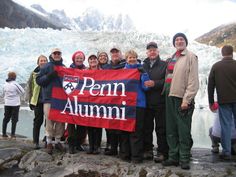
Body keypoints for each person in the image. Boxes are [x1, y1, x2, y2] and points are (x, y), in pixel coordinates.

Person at [162, 33, 199, 170]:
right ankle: (173, 157)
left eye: (181, 39)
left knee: (183, 129)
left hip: (181, 97)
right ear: (174, 43)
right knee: (171, 128)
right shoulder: (172, 57)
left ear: (186, 42)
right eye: (176, 40)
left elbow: (193, 81)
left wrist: (187, 99)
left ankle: (184, 157)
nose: (179, 41)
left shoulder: (190, 57)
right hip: (169, 95)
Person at [120, 50, 150, 163]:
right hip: (125, 105)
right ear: (126, 59)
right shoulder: (122, 71)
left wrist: (144, 75)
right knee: (124, 130)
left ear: (137, 58)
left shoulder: (141, 70)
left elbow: (146, 87)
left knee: (136, 131)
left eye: (134, 57)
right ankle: (125, 154)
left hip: (138, 104)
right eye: (130, 57)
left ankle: (136, 156)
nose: (132, 59)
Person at [208, 45, 236, 160]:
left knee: (226, 126)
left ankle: (226, 152)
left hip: (224, 101)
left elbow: (210, 86)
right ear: (232, 53)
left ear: (222, 53)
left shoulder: (216, 66)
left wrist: (210, 102)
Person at [36, 48, 65, 154]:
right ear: (51, 55)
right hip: (49, 98)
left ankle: (57, 141)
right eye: (55, 53)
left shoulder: (64, 67)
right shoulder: (46, 66)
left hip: (61, 98)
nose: (57, 55)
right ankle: (49, 141)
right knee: (49, 119)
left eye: (58, 53)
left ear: (61, 55)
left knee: (60, 121)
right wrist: (48, 76)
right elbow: (38, 80)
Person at [142, 42, 168, 162]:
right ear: (147, 53)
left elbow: (168, 81)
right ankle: (148, 150)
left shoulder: (164, 65)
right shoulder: (143, 65)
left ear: (158, 52)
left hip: (160, 101)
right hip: (146, 102)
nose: (152, 52)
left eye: (154, 50)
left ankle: (162, 152)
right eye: (150, 50)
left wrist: (155, 83)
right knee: (147, 128)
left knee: (161, 128)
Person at [103, 47, 126, 156]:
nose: (115, 54)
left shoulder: (125, 66)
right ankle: (113, 148)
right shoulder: (106, 67)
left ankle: (122, 148)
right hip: (109, 100)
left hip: (122, 99)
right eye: (113, 53)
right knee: (110, 125)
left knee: (121, 125)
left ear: (121, 54)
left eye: (117, 52)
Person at [67, 50, 87, 154]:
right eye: (77, 58)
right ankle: (71, 145)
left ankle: (79, 143)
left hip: (83, 100)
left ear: (83, 59)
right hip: (71, 100)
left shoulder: (87, 70)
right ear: (74, 59)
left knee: (82, 124)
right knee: (71, 124)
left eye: (81, 58)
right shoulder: (69, 70)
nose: (79, 60)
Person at [27, 55, 48, 149]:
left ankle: (47, 139)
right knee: (37, 121)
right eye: (41, 60)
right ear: (38, 62)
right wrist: (30, 101)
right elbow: (30, 87)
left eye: (45, 60)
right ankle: (35, 141)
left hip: (48, 100)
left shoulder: (49, 72)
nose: (43, 62)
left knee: (48, 122)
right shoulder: (34, 73)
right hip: (38, 101)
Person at [86, 54, 103, 155]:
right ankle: (91, 146)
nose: (93, 61)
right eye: (91, 59)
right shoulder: (84, 72)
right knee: (89, 125)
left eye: (94, 59)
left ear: (97, 61)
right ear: (88, 62)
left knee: (98, 125)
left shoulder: (103, 72)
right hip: (88, 101)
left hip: (100, 101)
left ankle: (97, 146)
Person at [2, 72, 25, 139]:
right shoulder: (15, 84)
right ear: (15, 77)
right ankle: (12, 135)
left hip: (7, 104)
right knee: (14, 119)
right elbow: (22, 91)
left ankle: (4, 134)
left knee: (6, 118)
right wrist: (17, 95)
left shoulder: (5, 85)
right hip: (15, 104)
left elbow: (3, 94)